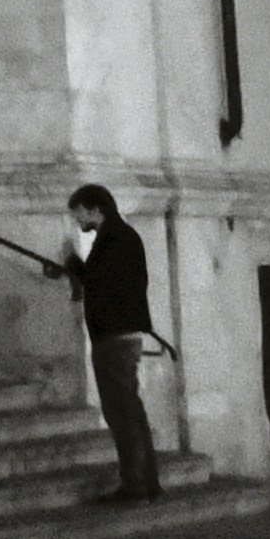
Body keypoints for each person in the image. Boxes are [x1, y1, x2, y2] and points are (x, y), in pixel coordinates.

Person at [62, 183, 161, 501]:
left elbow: (103, 284)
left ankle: (135, 485)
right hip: (121, 335)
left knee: (121, 412)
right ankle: (146, 482)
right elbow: (105, 281)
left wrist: (74, 265)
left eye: (79, 212)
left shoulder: (115, 239)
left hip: (114, 337)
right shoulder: (120, 236)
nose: (78, 219)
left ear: (96, 209)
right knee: (130, 410)